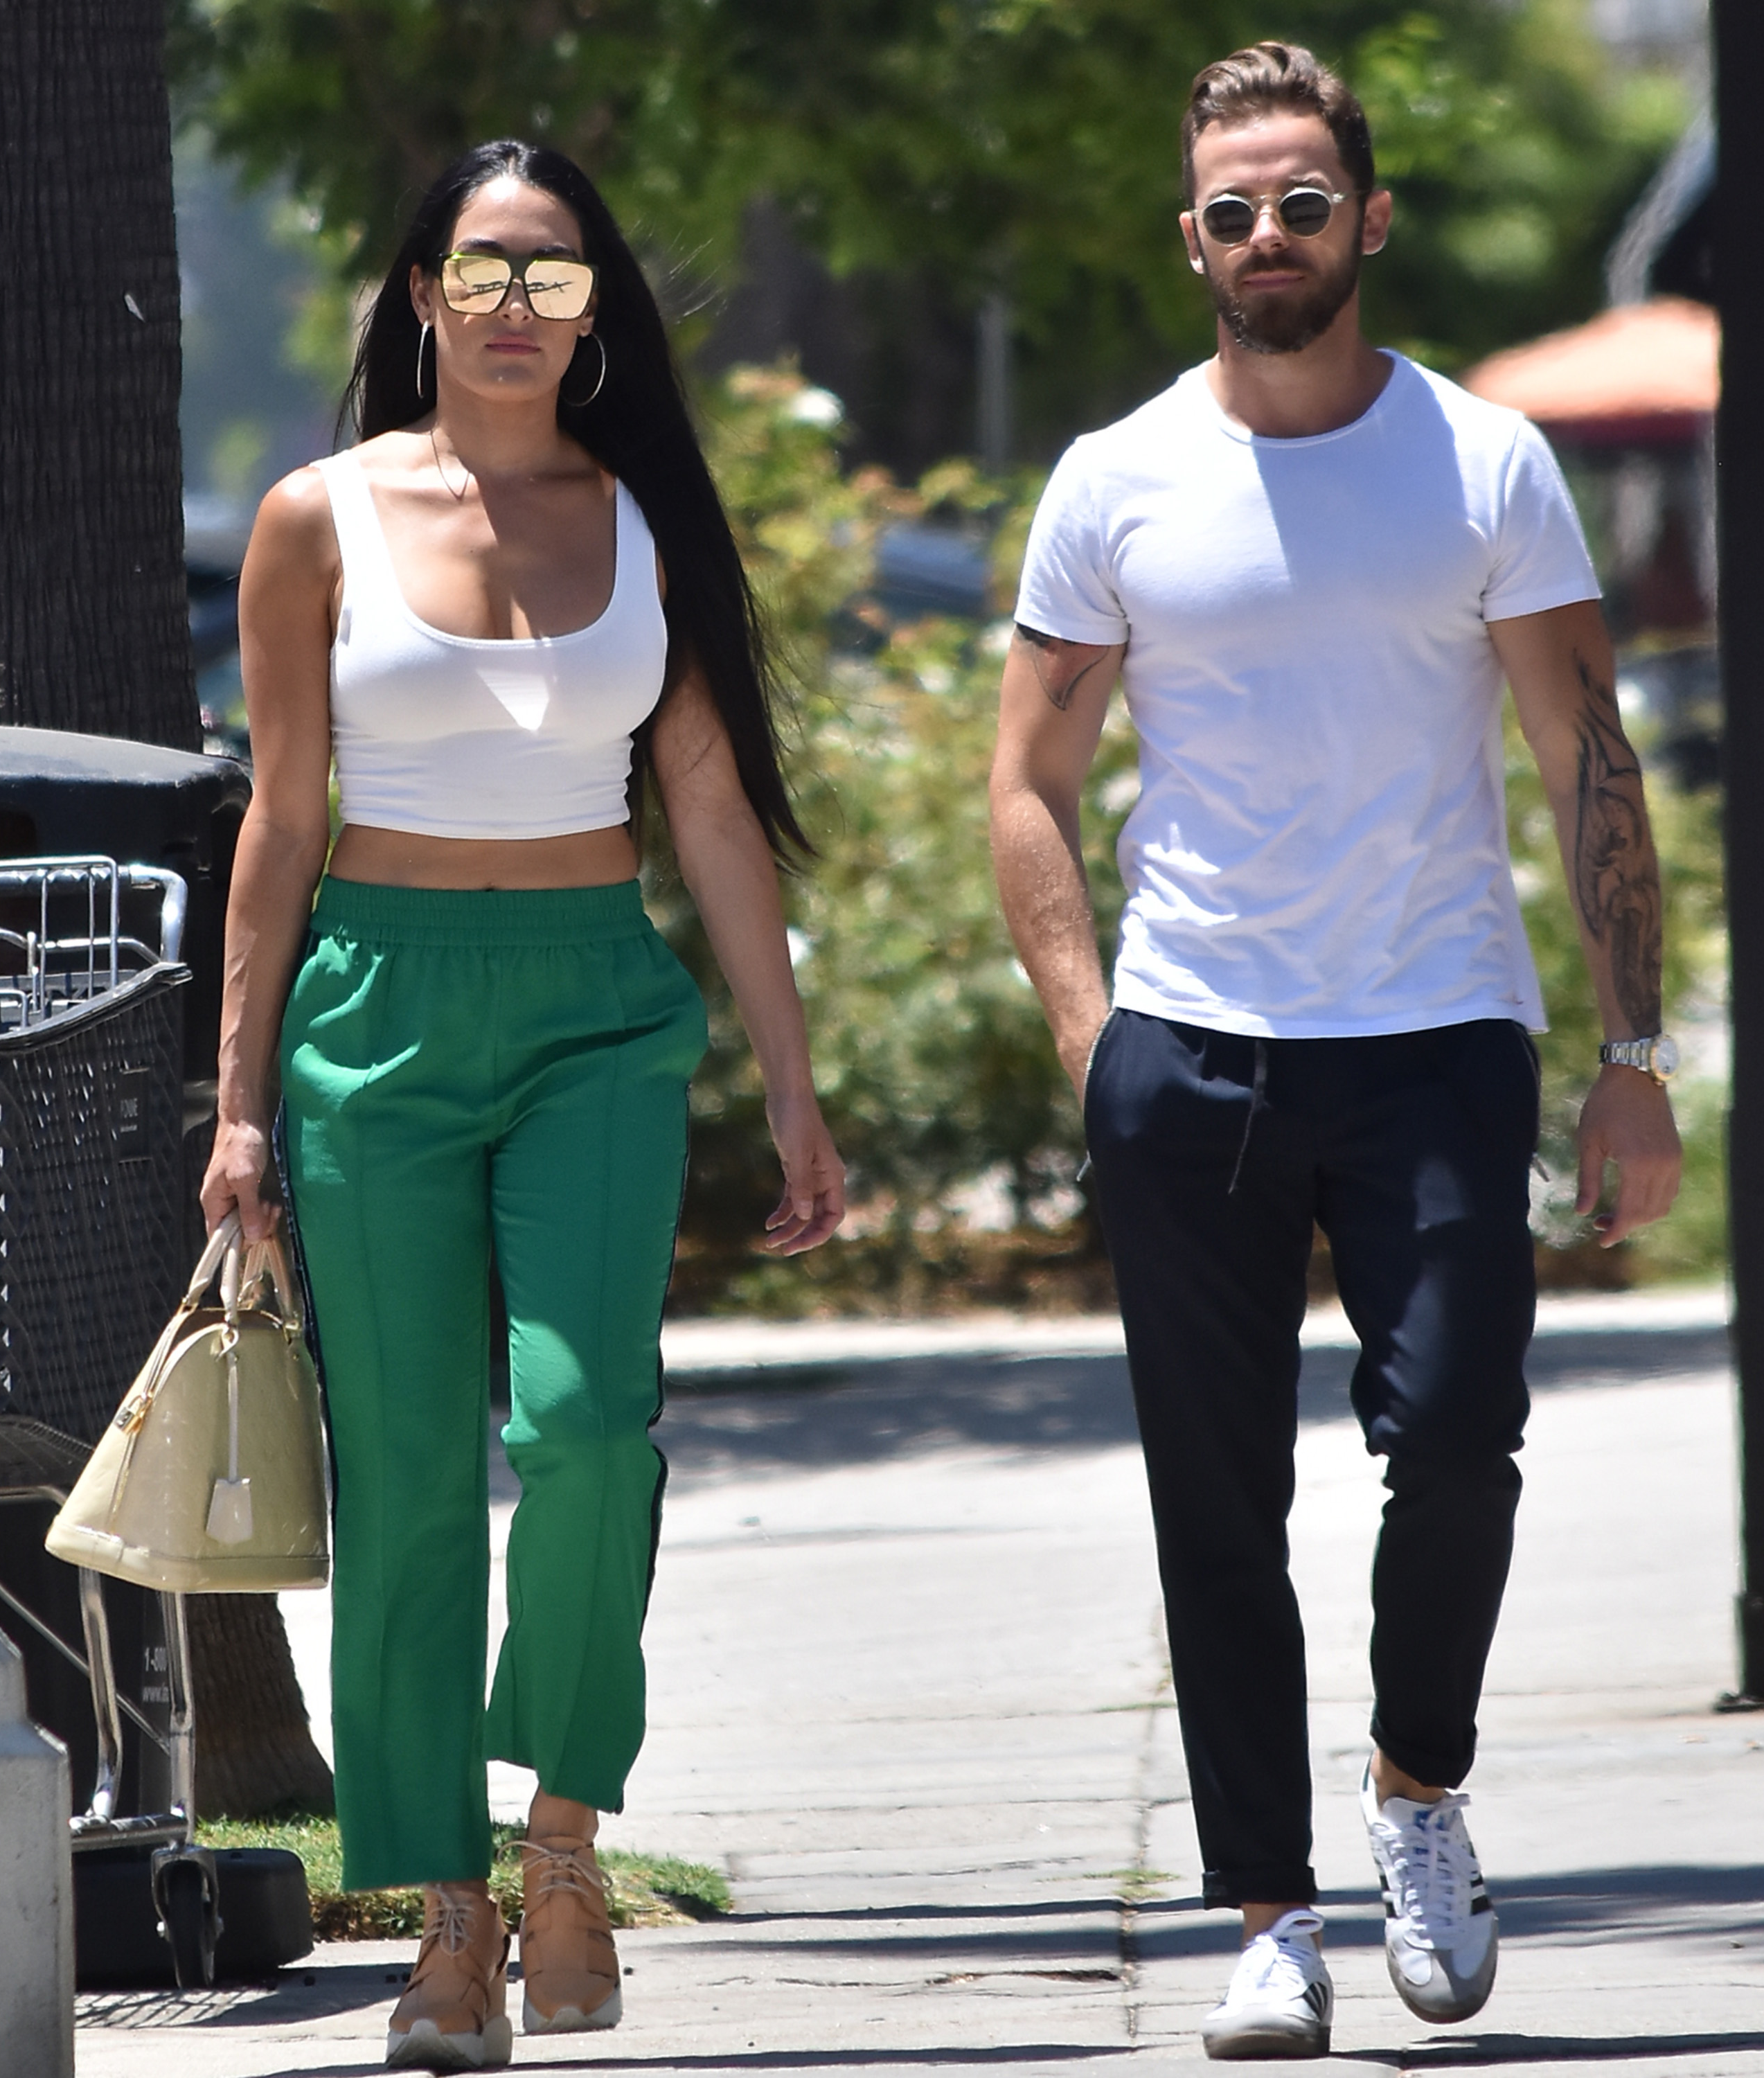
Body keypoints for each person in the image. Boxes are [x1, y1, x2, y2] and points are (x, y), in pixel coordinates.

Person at [990, 42, 1681, 2061]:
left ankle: (1417, 1797)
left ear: (1365, 221)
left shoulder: (1481, 463)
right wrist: (1088, 1039)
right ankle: (1266, 1917)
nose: (1267, 237)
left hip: (1440, 1030)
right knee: (1213, 1509)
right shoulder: (1116, 477)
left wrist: (1628, 1047)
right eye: (1231, 209)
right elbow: (1026, 778)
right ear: (1188, 237)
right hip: (1191, 1052)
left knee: (1456, 1436)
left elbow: (1587, 754)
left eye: (1302, 202)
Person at [202, 140, 845, 2074]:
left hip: (593, 1011)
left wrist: (794, 1094)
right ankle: (452, 1930)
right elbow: (280, 817)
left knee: (586, 1433)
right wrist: (236, 1108)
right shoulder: (314, 517)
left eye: (553, 276)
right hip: (375, 1014)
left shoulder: (647, 515)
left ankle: (563, 1830)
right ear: (417, 294)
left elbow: (715, 815)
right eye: (479, 270)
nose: (511, 305)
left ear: (596, 311)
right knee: (404, 1488)